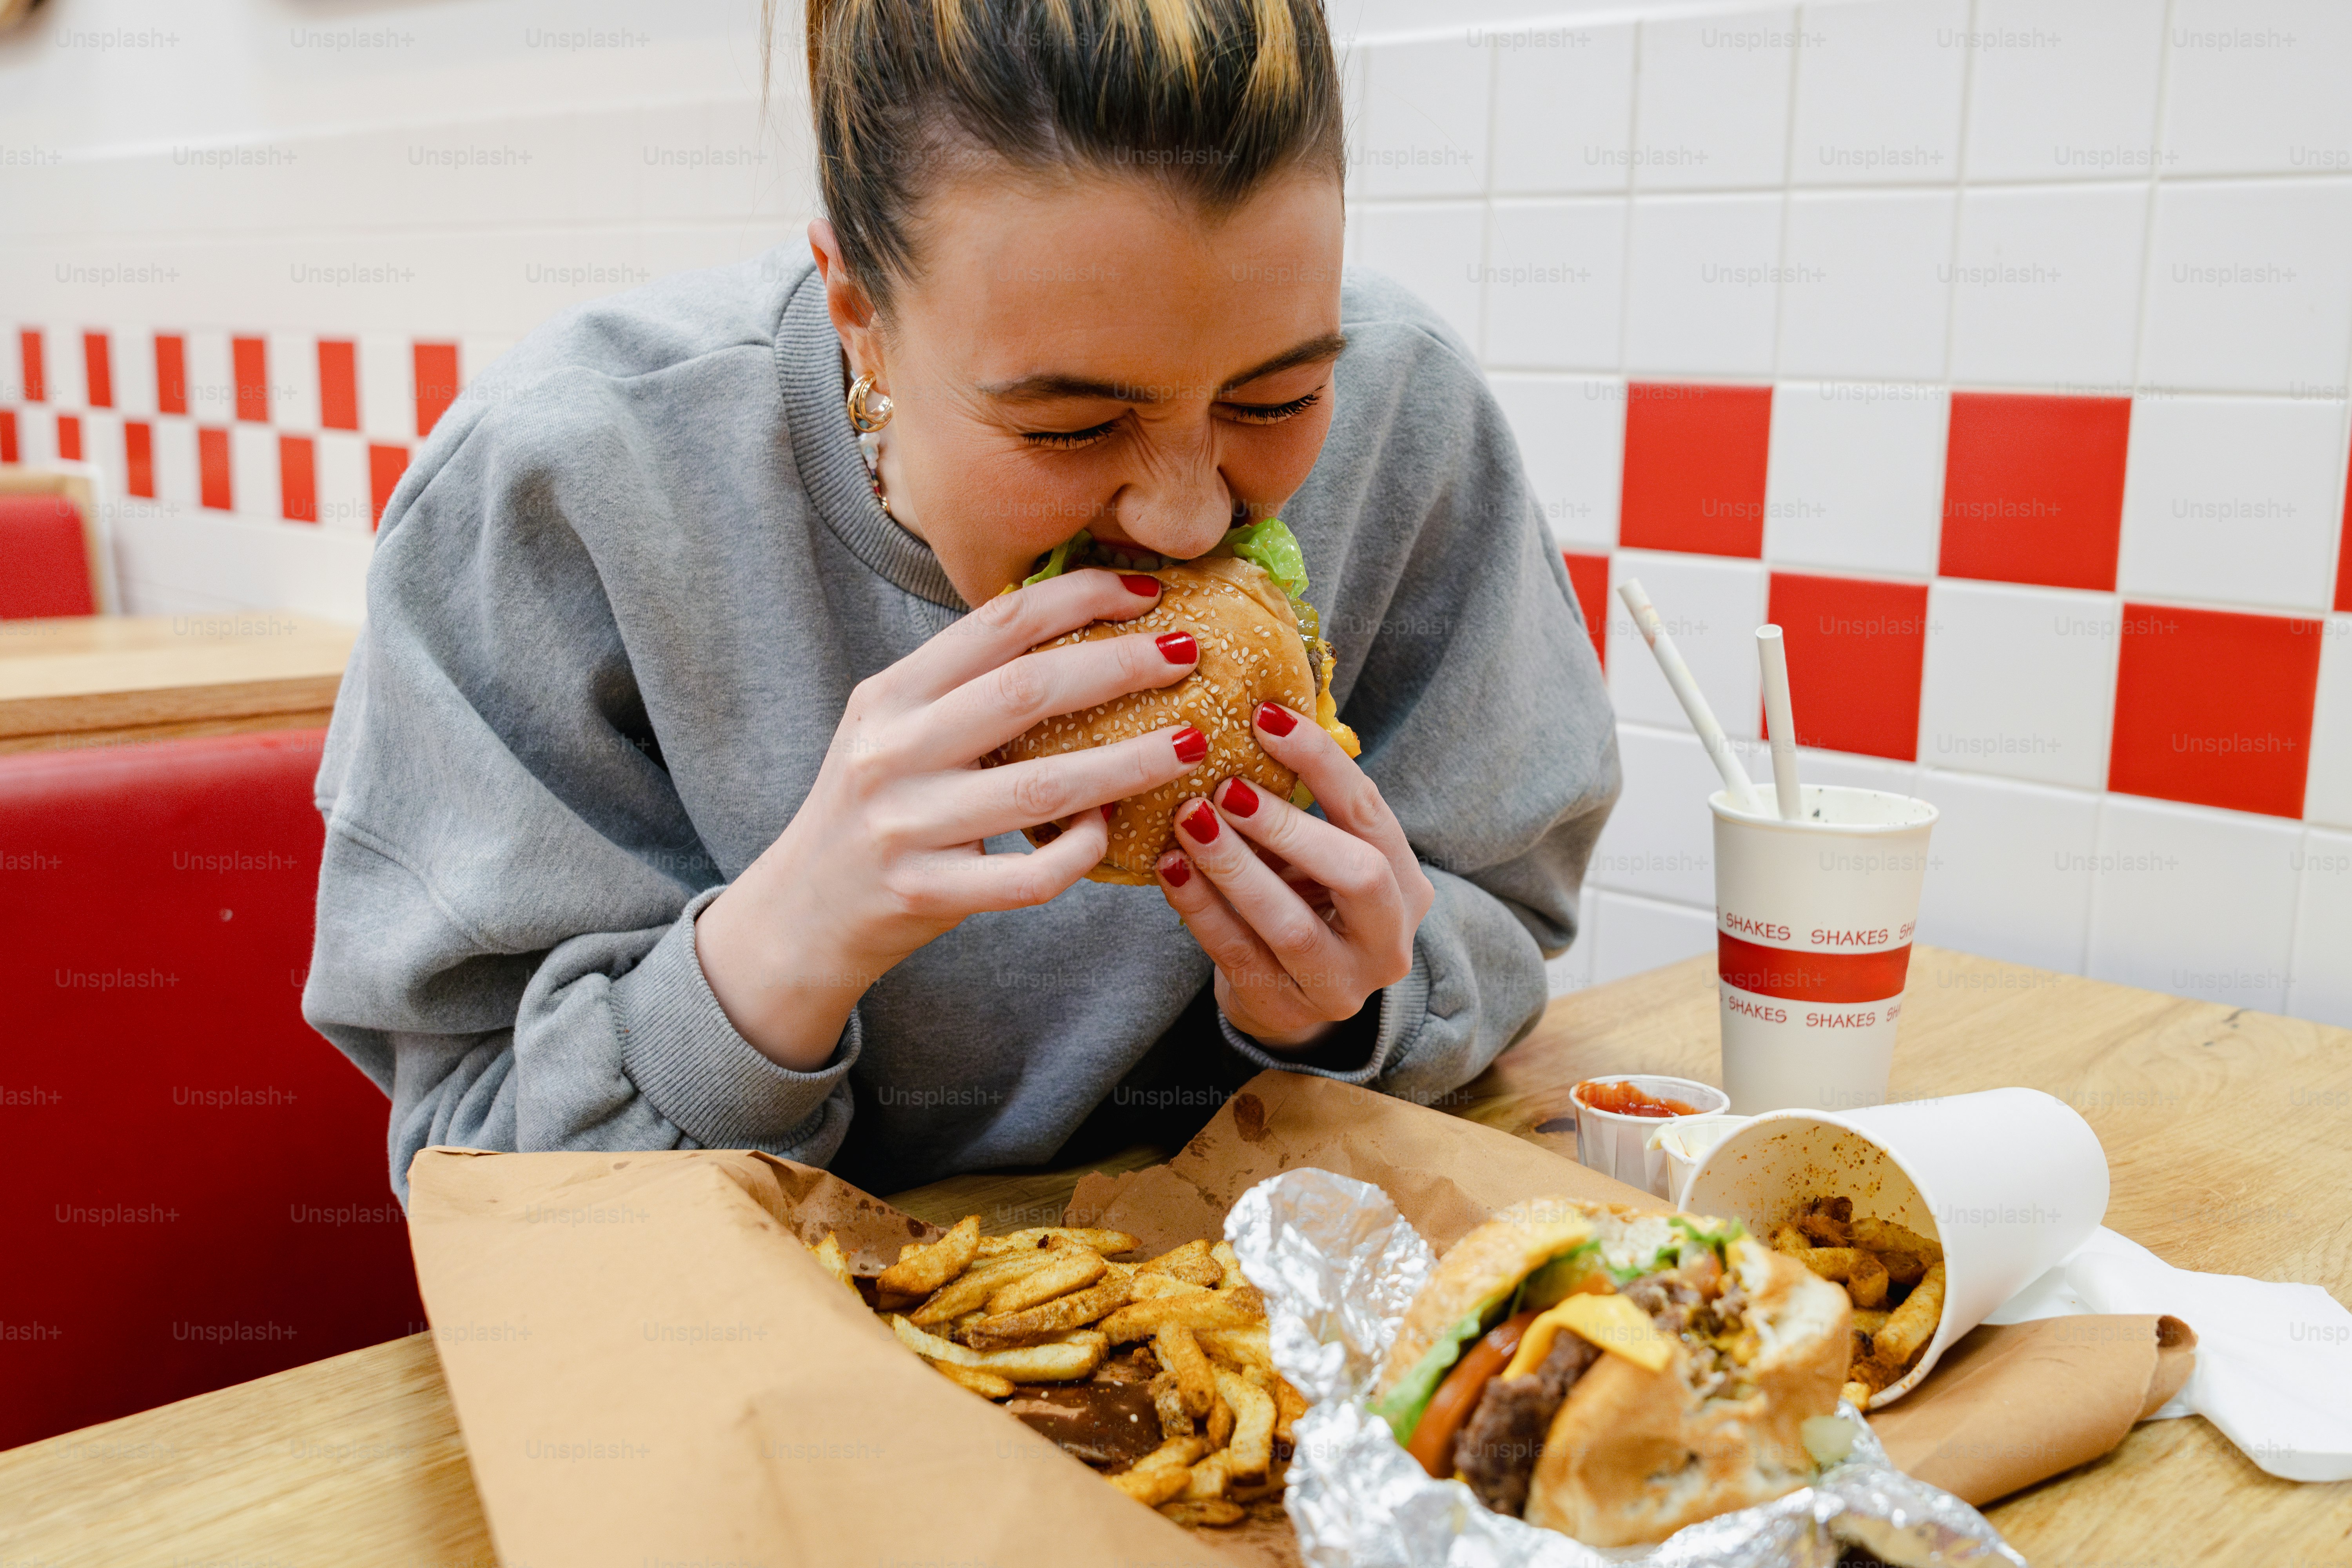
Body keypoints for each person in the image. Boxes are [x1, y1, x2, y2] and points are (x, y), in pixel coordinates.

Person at [304, 0, 1618, 1204]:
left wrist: (1352, 1004)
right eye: (1072, 420)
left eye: (1273, 401)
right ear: (858, 310)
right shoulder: (565, 485)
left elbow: (1504, 906)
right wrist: (780, 951)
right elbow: (468, 1165)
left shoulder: (1408, 417)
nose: (1187, 516)